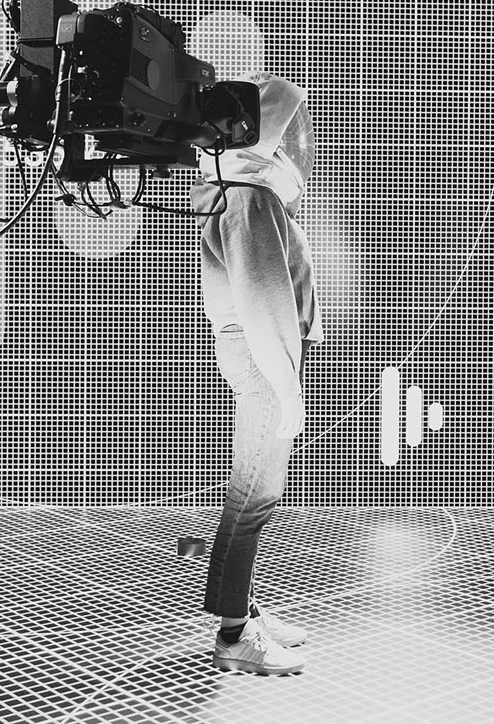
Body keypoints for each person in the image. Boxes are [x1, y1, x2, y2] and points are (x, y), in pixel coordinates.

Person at [190, 70, 324, 676]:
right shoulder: (249, 196)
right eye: (286, 126)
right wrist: (287, 389)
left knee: (252, 492)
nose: (295, 141)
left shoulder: (243, 189)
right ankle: (234, 634)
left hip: (259, 354)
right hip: (262, 356)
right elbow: (264, 299)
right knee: (255, 494)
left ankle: (239, 610)